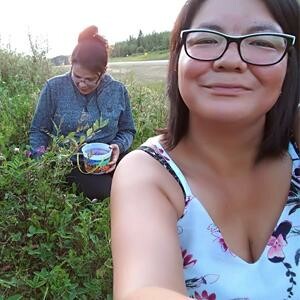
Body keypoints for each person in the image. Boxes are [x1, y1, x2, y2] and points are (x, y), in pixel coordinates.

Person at [111, 0, 300, 299]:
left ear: (291, 63)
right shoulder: (149, 174)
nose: (230, 60)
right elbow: (144, 289)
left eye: (262, 42)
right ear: (177, 59)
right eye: (207, 39)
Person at [29, 26, 135, 200]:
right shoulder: (53, 88)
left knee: (142, 177)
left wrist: (118, 146)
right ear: (71, 65)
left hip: (111, 157)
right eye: (77, 77)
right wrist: (41, 166)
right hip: (72, 163)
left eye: (90, 79)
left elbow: (128, 130)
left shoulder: (117, 90)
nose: (82, 84)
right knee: (109, 193)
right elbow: (38, 130)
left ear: (103, 72)